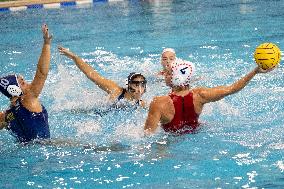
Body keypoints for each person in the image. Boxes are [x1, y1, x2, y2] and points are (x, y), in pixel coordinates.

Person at [144, 51, 274, 135]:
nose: (164, 74)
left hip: (170, 141)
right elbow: (232, 88)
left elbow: (147, 136)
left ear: (175, 78)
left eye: (167, 73)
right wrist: (255, 71)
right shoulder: (200, 95)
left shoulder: (159, 102)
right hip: (197, 133)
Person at [0, 24, 52, 143]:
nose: (28, 83)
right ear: (15, 90)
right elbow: (41, 73)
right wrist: (46, 44)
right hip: (45, 147)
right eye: (22, 83)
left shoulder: (7, 115)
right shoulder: (28, 98)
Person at [58, 46, 147, 107]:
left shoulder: (141, 105)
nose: (139, 89)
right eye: (136, 85)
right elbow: (92, 75)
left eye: (142, 86)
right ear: (128, 85)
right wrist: (74, 57)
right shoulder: (116, 90)